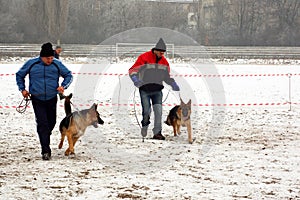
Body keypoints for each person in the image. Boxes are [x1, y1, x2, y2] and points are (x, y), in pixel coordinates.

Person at [16, 42, 73, 160]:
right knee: (42, 123)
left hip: (52, 98)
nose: (50, 60)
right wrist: (22, 89)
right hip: (37, 98)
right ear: (41, 57)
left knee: (51, 122)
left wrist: (63, 86)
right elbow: (19, 75)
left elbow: (68, 75)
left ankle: (44, 136)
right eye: (48, 58)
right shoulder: (31, 64)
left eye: (52, 58)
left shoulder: (57, 64)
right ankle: (45, 150)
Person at [128, 38, 180, 140]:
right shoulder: (144, 58)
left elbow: (166, 77)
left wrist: (172, 83)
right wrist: (135, 79)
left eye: (163, 52)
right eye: (160, 52)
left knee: (159, 112)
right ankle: (145, 125)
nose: (162, 54)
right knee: (146, 111)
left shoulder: (164, 62)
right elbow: (132, 70)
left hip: (157, 91)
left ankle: (157, 133)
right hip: (145, 90)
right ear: (155, 50)